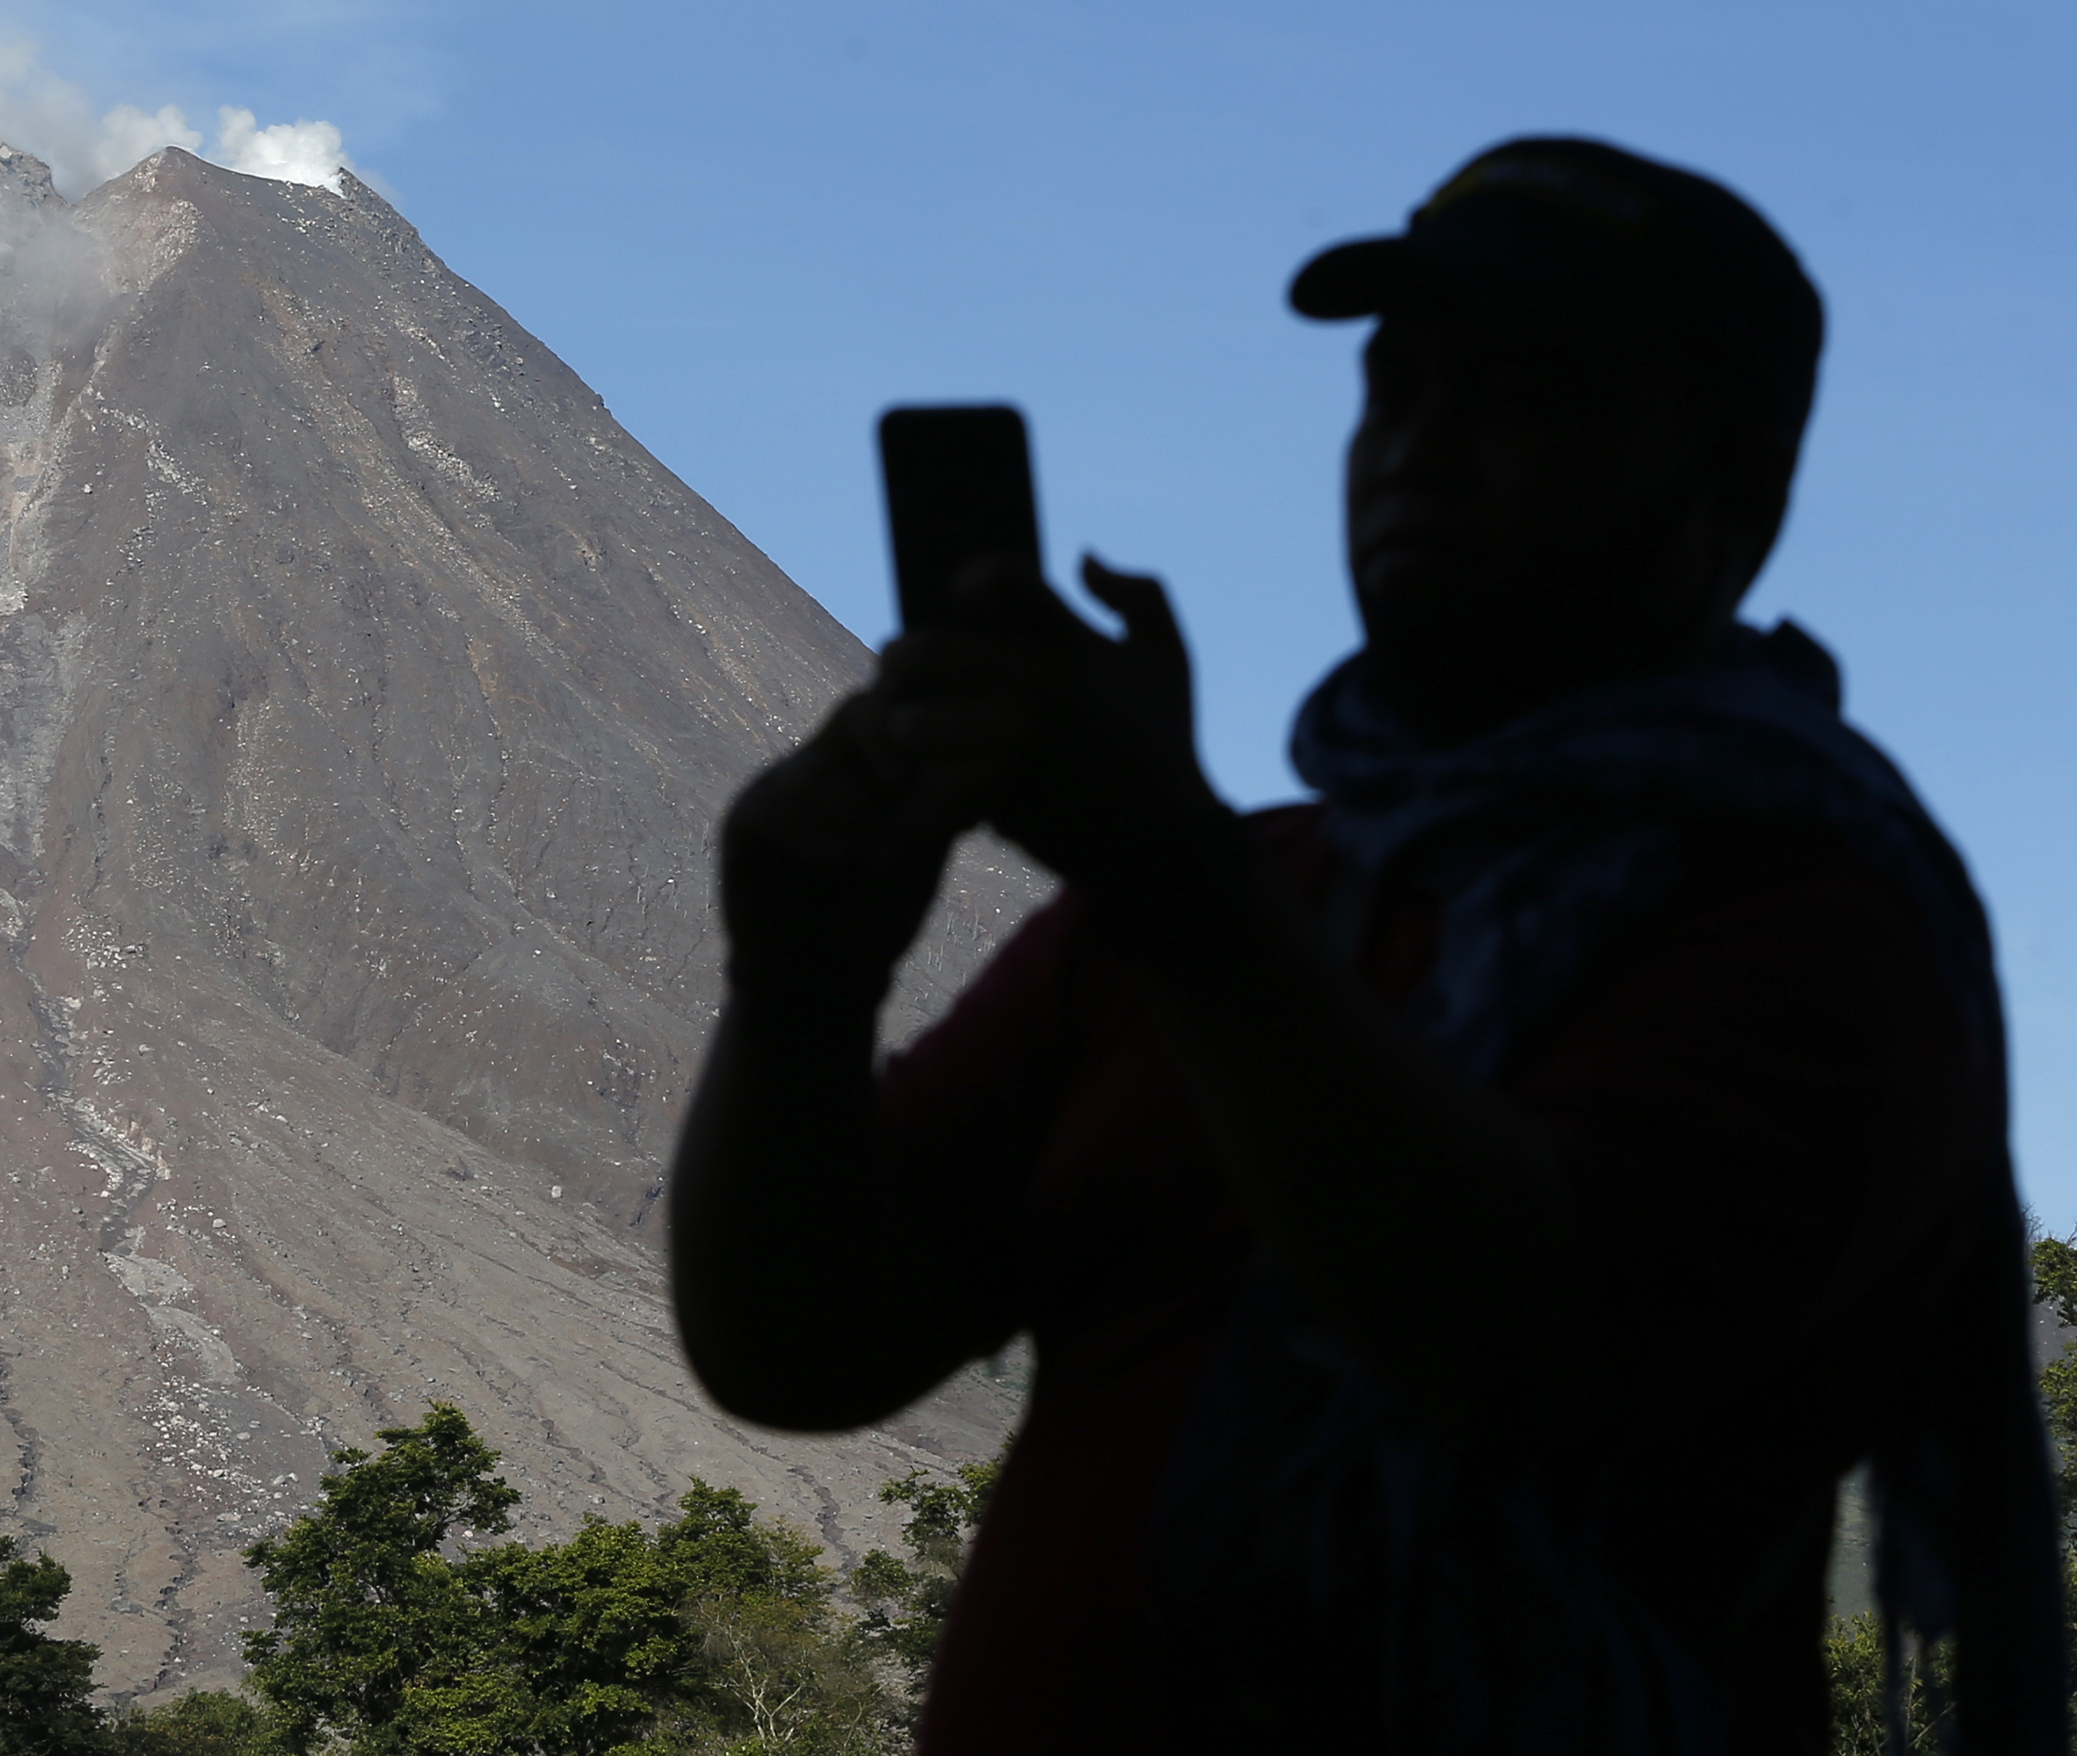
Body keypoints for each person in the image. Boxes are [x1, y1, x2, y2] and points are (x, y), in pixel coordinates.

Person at [665, 137, 2060, 1755]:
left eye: (1520, 396)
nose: (1422, 450)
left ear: (1734, 486)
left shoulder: (1820, 934)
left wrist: (1172, 876)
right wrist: (797, 980)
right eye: (1395, 391)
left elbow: (1528, 1345)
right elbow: (799, 1345)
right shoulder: (1232, 895)